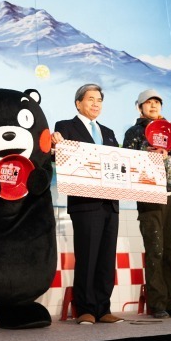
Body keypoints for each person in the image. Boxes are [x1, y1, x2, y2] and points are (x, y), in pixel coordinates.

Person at [51, 84, 123, 325]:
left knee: (106, 258)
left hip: (110, 203)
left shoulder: (109, 132)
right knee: (88, 256)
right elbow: (59, 156)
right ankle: (85, 308)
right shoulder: (64, 127)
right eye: (90, 99)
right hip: (85, 202)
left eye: (99, 100)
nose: (95, 104)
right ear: (78, 103)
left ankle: (104, 308)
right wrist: (55, 146)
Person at [122, 89, 171, 319]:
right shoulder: (134, 132)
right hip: (149, 194)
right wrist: (149, 154)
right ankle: (158, 303)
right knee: (155, 250)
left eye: (157, 102)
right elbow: (127, 162)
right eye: (148, 103)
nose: (153, 106)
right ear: (139, 107)